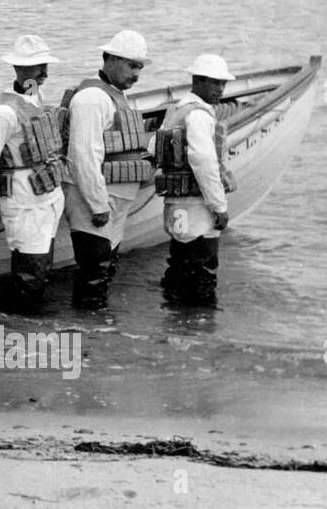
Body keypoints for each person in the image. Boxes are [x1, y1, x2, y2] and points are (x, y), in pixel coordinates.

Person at [0, 35, 66, 313]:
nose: (43, 74)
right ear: (18, 69)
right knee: (31, 267)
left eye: (44, 66)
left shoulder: (34, 96)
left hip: (45, 195)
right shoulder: (4, 114)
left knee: (40, 264)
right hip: (25, 197)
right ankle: (24, 322)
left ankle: (26, 316)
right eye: (36, 68)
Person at [60, 30, 155, 310]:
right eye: (131, 65)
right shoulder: (93, 98)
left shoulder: (115, 95)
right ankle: (88, 332)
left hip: (112, 202)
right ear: (110, 59)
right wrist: (98, 204)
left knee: (104, 270)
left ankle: (95, 334)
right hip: (94, 202)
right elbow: (83, 154)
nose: (137, 74)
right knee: (94, 273)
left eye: (140, 67)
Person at [155, 53, 237, 306]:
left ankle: (175, 320)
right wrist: (219, 206)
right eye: (215, 83)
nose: (221, 89)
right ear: (198, 81)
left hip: (175, 204)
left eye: (223, 84)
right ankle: (197, 328)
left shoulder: (176, 110)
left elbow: (153, 146)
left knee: (179, 263)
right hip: (198, 206)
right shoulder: (200, 115)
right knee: (202, 270)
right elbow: (204, 162)